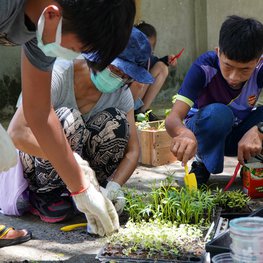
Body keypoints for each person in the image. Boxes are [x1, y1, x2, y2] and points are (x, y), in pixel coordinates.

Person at [0, 0, 136, 243]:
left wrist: (79, 183)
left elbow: (39, 112)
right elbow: (19, 129)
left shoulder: (45, 31)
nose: (74, 57)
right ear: (53, 15)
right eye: (77, 49)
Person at [7, 27, 153, 225]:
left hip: (82, 170)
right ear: (97, 57)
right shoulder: (58, 73)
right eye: (116, 70)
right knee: (68, 118)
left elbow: (133, 151)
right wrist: (70, 161)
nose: (120, 79)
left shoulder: (120, 92)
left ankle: (94, 190)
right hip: (39, 161)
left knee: (117, 122)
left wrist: (113, 187)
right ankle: (49, 195)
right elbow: (17, 133)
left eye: (127, 76)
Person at [165, 15, 263, 187]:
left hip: (237, 137)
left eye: (245, 69)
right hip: (204, 132)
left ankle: (252, 164)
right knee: (219, 114)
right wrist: (184, 133)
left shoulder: (261, 69)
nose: (234, 77)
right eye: (228, 66)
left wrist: (258, 130)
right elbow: (173, 118)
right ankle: (202, 162)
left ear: (258, 61)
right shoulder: (204, 67)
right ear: (218, 52)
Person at [133, 21, 178, 121]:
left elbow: (156, 62)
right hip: (126, 100)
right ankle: (131, 113)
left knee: (162, 67)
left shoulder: (149, 58)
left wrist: (167, 59)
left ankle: (142, 112)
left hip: (138, 99)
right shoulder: (128, 55)